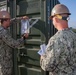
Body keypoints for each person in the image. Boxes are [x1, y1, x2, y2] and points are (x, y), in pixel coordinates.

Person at [40, 4, 76, 75]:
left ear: (56, 19)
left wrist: (42, 56)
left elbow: (47, 66)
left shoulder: (55, 39)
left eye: (52, 19)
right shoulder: (74, 35)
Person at [0, 11, 29, 75]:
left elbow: (12, 21)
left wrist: (21, 18)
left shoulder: (2, 27)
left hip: (5, 61)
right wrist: (23, 38)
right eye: (9, 20)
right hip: (4, 64)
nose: (10, 21)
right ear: (5, 21)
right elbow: (14, 44)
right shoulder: (3, 32)